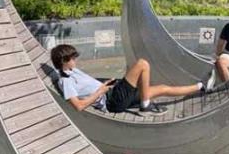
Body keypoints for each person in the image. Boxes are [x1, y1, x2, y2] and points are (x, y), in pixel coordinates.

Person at [50, 44, 208, 116]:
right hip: (112, 101)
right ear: (64, 60)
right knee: (142, 64)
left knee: (162, 88)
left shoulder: (72, 70)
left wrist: (104, 85)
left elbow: (87, 87)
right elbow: (78, 106)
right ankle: (145, 105)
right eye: (72, 58)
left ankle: (201, 87)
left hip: (112, 93)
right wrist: (100, 91)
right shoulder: (66, 81)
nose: (75, 60)